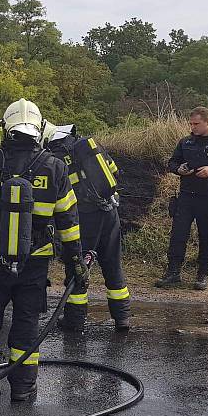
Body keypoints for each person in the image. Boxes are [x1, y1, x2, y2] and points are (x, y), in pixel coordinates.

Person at [0, 99, 87, 401]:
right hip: (34, 263)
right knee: (26, 323)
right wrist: (75, 261)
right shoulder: (55, 167)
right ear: (38, 130)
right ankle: (23, 387)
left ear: (6, 128)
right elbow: (69, 221)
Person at [46, 125, 130, 332]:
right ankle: (123, 318)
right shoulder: (89, 146)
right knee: (113, 264)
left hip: (82, 217)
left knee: (77, 265)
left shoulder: (54, 157)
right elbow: (114, 171)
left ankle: (75, 321)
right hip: (110, 211)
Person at [155, 107, 208, 290]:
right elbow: (172, 162)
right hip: (186, 197)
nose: (192, 127)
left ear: (207, 122)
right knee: (178, 236)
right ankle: (173, 273)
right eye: (191, 124)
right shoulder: (185, 142)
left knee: (207, 237)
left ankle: (202, 274)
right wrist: (178, 169)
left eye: (196, 124)